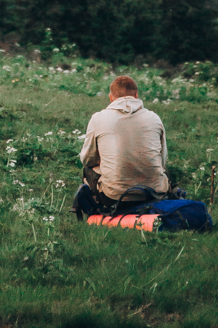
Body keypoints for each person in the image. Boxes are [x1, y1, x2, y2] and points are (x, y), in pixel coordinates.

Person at [71, 74, 170, 220]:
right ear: (136, 95)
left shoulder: (98, 118)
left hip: (114, 197)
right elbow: (162, 160)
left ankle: (96, 213)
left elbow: (87, 160)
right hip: (154, 194)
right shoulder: (154, 118)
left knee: (88, 170)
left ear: (111, 97)